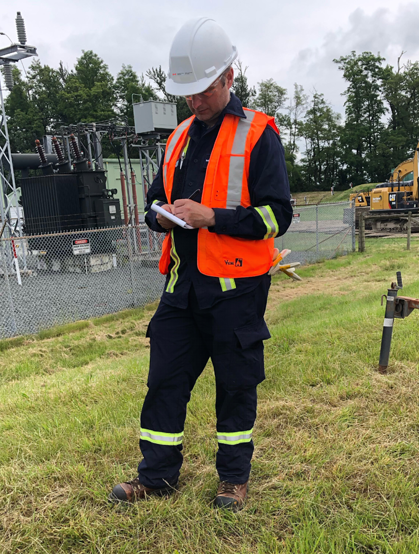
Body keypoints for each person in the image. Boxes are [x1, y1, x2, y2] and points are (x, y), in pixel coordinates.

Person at [109, 17, 292, 511]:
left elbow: (278, 215)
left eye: (202, 90)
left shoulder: (259, 135)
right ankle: (158, 476)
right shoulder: (178, 139)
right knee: (164, 381)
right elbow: (152, 204)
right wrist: (161, 218)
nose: (193, 100)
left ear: (228, 77)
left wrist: (214, 216)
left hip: (237, 291)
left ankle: (233, 479)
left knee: (236, 386)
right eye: (186, 93)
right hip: (182, 287)